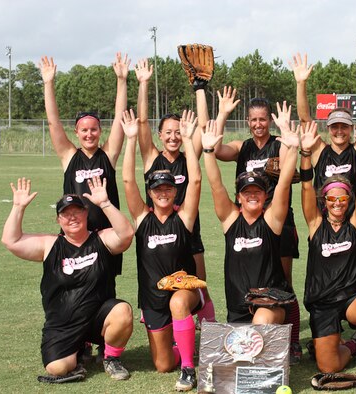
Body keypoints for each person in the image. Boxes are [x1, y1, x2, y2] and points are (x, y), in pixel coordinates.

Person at [1, 176, 135, 383]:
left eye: (77, 212)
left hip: (98, 319)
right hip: (63, 324)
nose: (72, 217)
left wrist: (105, 204)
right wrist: (18, 207)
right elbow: (11, 241)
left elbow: (126, 234)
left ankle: (111, 358)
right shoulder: (50, 245)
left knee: (122, 311)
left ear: (86, 213)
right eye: (65, 214)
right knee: (58, 368)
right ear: (58, 220)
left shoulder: (101, 239)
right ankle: (79, 350)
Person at [213, 91, 302, 362]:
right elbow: (216, 149)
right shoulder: (243, 147)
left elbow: (288, 164)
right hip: (247, 220)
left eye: (263, 119)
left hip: (276, 220)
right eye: (253, 119)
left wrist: (288, 134)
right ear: (248, 121)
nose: (258, 124)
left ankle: (292, 340)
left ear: (269, 122)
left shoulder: (277, 144)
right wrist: (223, 114)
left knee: (282, 283)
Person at [122, 108, 204, 392]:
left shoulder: (184, 218)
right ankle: (186, 345)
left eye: (168, 188)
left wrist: (191, 141)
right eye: (158, 189)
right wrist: (131, 139)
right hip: (152, 298)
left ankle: (189, 369)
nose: (163, 192)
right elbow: (128, 181)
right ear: (151, 192)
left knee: (178, 303)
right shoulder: (142, 219)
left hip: (184, 289)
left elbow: (194, 180)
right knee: (161, 364)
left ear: (173, 191)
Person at [300, 121, 356, 394]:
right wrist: (304, 154)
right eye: (332, 200)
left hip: (350, 299)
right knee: (329, 367)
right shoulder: (315, 224)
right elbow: (304, 189)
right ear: (324, 202)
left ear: (349, 202)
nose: (338, 204)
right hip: (323, 303)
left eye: (343, 200)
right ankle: (352, 345)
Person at [291, 50, 356, 291]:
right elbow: (304, 119)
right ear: (328, 128)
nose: (339, 131)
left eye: (344, 126)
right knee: (325, 274)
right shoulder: (321, 151)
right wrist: (301, 83)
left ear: (351, 128)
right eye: (334, 126)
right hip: (326, 225)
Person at [133, 58, 216, 327]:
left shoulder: (189, 155)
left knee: (198, 285)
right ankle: (156, 313)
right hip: (157, 236)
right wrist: (143, 84)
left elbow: (204, 130)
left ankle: (209, 327)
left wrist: (200, 89)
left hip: (188, 232)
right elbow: (142, 121)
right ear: (160, 135)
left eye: (177, 132)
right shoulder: (151, 159)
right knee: (156, 283)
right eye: (167, 132)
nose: (173, 137)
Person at [39, 53, 129, 277]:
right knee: (75, 282)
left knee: (105, 286)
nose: (89, 134)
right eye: (84, 130)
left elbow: (119, 117)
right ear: (76, 132)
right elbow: (53, 122)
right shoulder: (70, 156)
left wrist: (121, 80)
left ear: (100, 131)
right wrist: (48, 83)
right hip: (75, 236)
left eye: (94, 129)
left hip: (105, 237)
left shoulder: (107, 155)